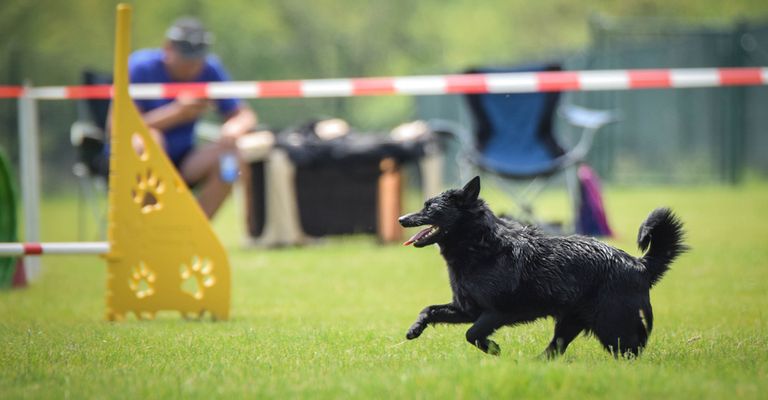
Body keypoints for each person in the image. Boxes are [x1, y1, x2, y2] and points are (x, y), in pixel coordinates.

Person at [105, 17, 257, 219]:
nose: (193, 66)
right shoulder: (139, 66)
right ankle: (153, 226)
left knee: (230, 158)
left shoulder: (210, 69)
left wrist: (233, 128)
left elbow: (245, 115)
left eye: (197, 59)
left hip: (185, 160)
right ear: (168, 48)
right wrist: (176, 113)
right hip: (135, 161)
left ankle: (193, 228)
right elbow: (117, 127)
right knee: (149, 140)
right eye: (187, 58)